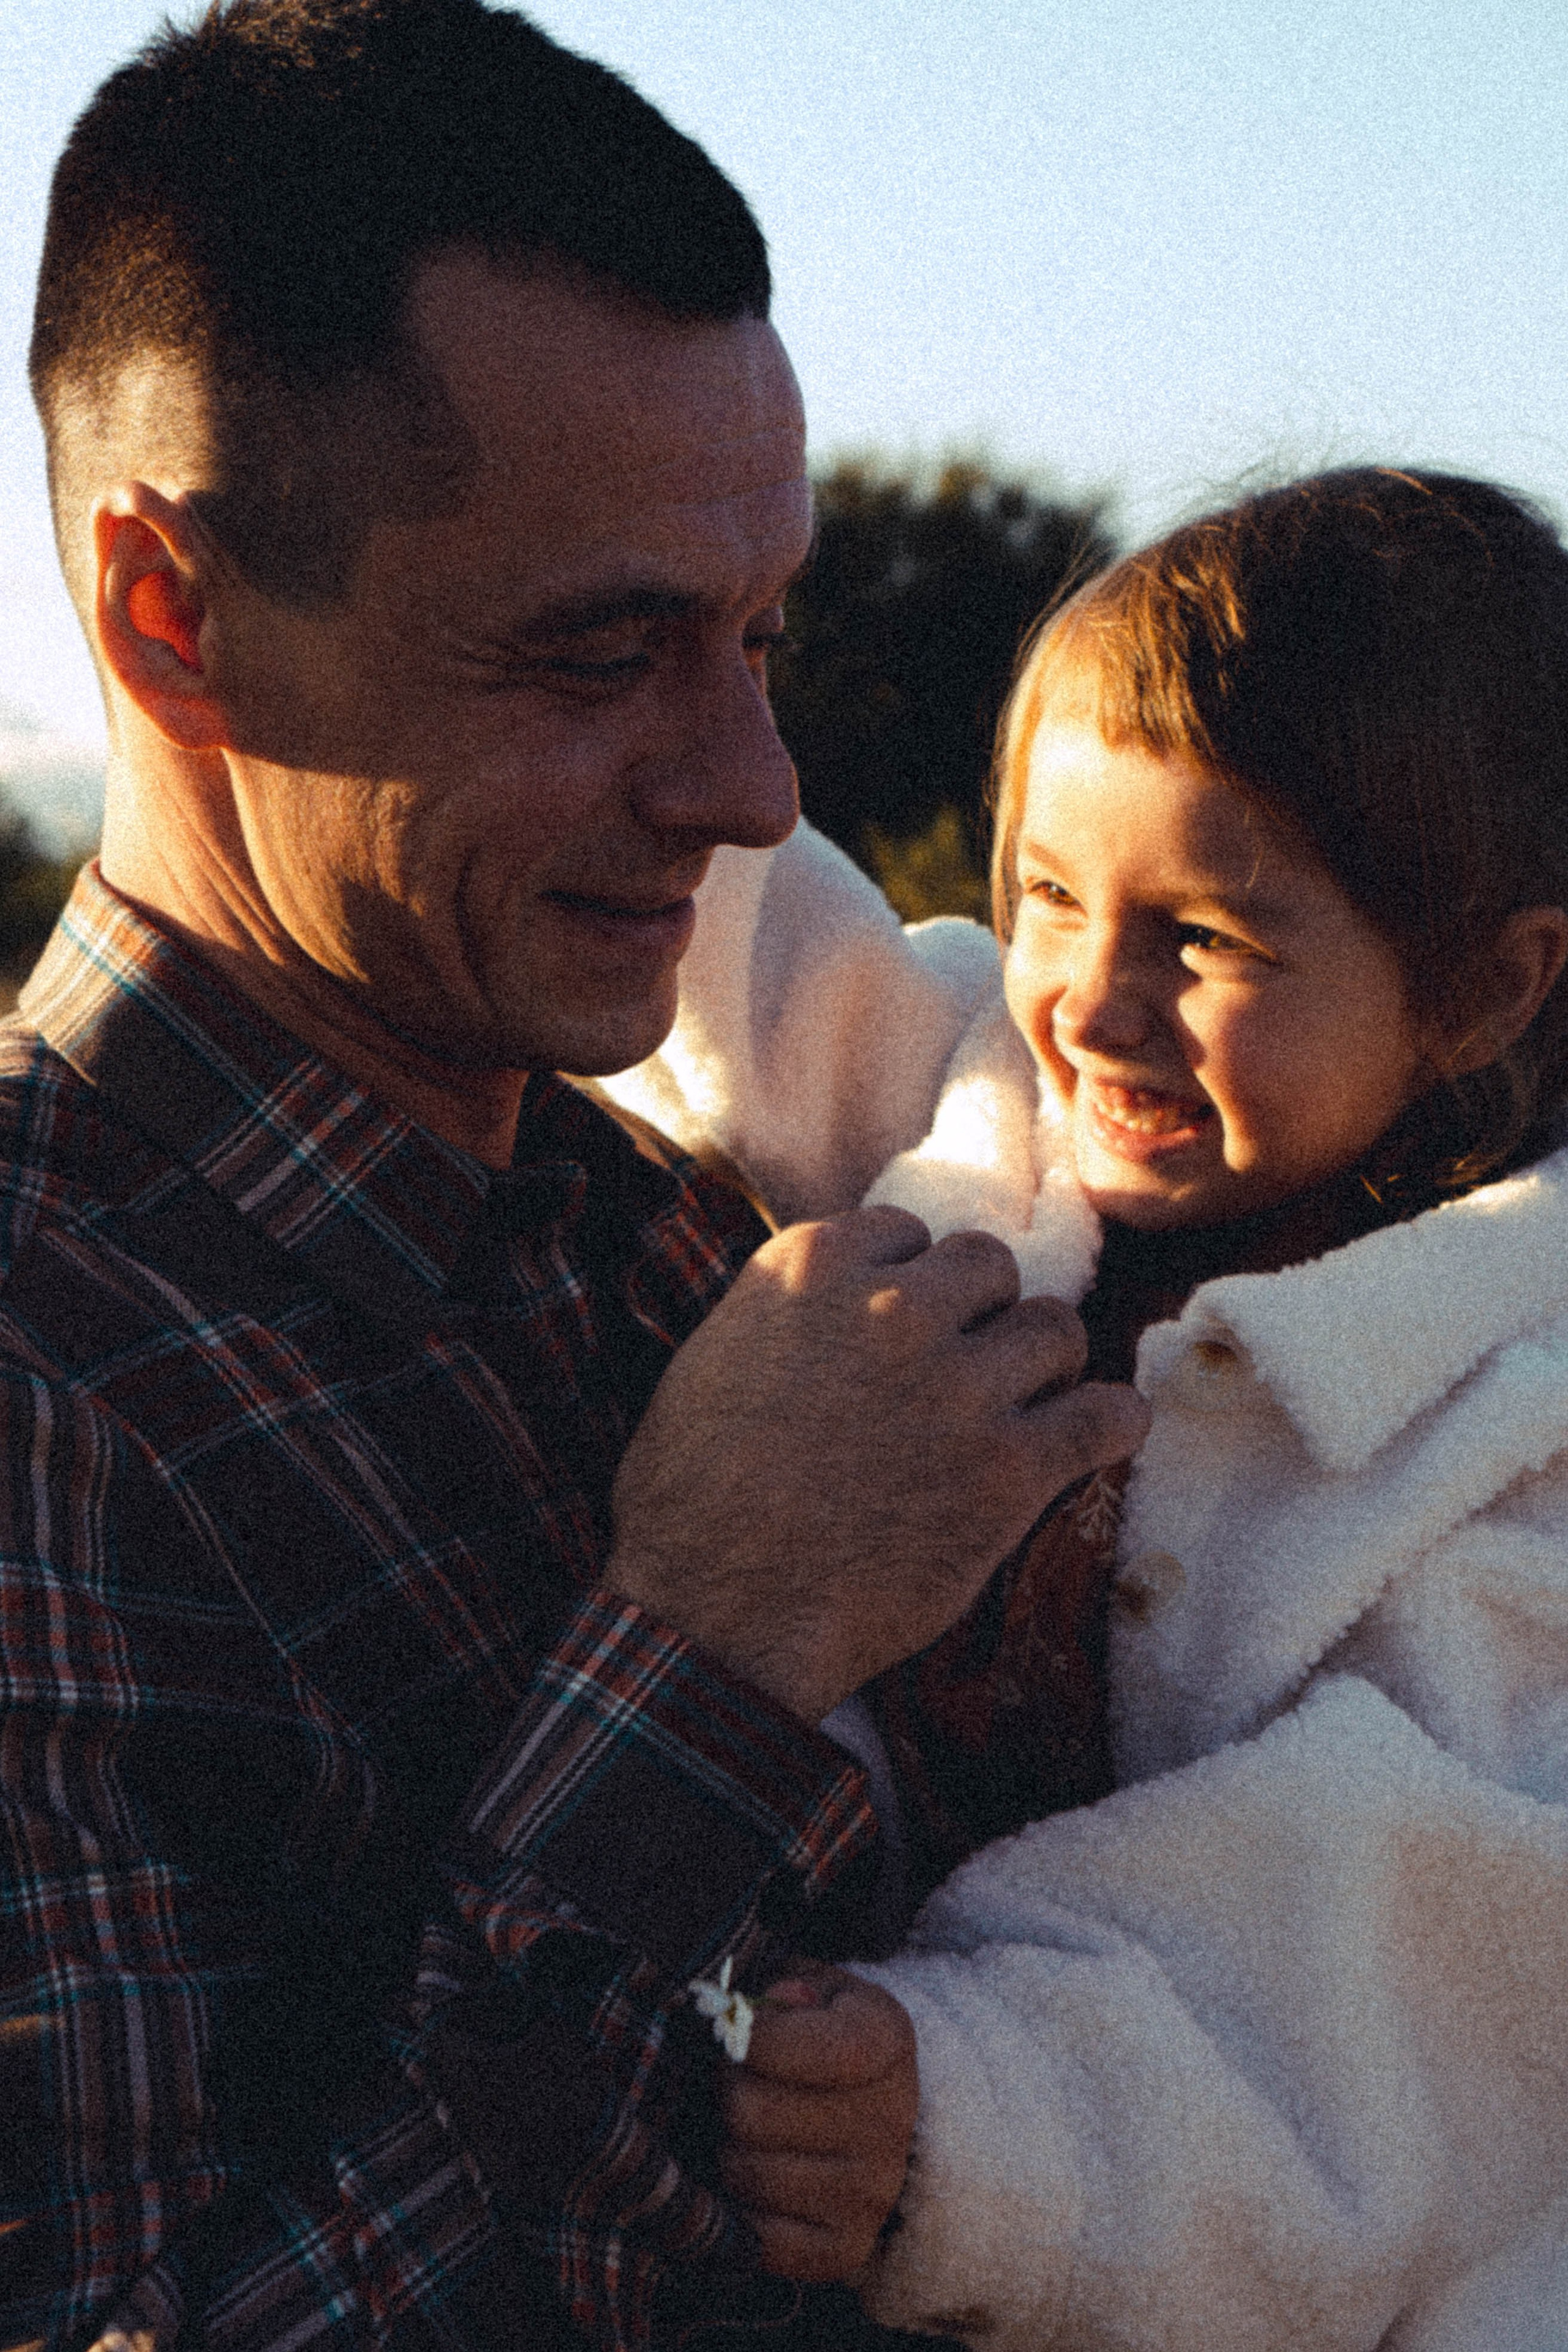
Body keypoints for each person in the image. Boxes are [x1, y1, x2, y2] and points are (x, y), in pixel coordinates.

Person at [5, 5, 1149, 2348]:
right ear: (172, 617)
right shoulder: (41, 1382)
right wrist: (707, 1663)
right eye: (603, 650)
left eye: (758, 634)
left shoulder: (686, 1223)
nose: (752, 786)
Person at [615, 470, 1568, 2347]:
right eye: (1049, 895)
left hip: (1224, 2220)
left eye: (1206, 943)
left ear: (1480, 985)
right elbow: (746, 935)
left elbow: (1415, 1940)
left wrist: (977, 2106)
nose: (1092, 1006)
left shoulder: (1507, 1422)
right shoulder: (982, 1104)